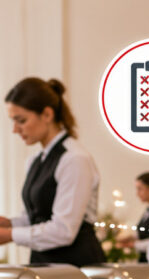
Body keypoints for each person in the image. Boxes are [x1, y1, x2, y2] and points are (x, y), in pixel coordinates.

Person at [0, 77, 104, 266]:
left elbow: (63, 230)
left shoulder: (74, 158)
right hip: (44, 264)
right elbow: (35, 218)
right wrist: (8, 224)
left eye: (21, 120)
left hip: (76, 266)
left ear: (47, 114)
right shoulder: (35, 160)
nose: (15, 130)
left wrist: (9, 235)